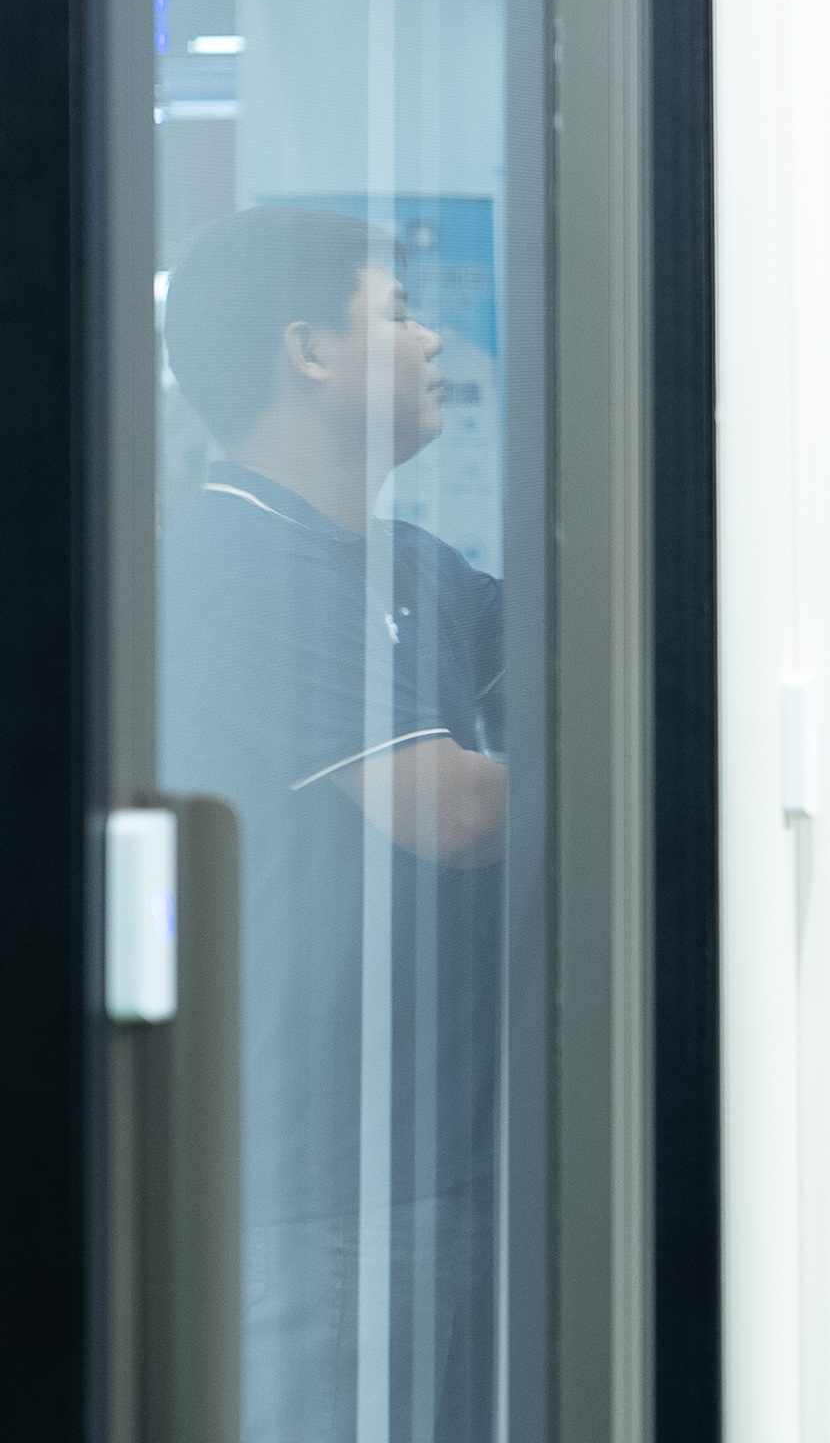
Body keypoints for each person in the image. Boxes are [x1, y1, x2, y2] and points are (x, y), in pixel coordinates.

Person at [158, 205, 507, 1443]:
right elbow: (448, 808)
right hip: (322, 1196)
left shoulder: (408, 561)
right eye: (398, 313)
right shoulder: (237, 562)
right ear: (307, 349)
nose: (432, 340)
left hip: (444, 1159)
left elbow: (606, 644)